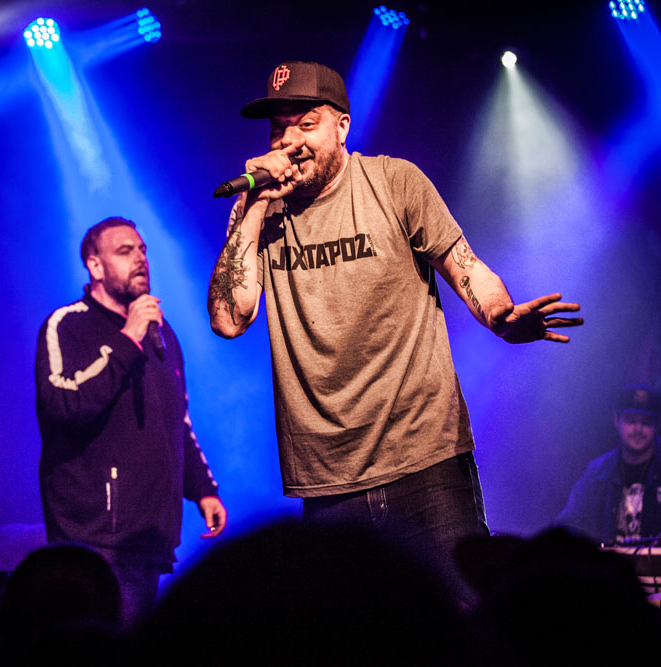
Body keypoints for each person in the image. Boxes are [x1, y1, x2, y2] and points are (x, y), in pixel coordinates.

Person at [206, 61, 582, 581]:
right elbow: (229, 318)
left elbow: (467, 266)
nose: (289, 141)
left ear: (342, 125)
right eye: (278, 129)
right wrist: (252, 208)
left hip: (424, 456)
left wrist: (500, 317)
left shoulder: (393, 181)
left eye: (306, 124)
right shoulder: (259, 214)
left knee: (459, 615)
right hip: (326, 476)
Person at [36, 217, 227, 624]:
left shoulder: (162, 334)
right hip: (92, 538)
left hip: (149, 536)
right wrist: (127, 339)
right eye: (125, 252)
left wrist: (203, 488)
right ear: (95, 265)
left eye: (142, 250)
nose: (140, 259)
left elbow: (178, 422)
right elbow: (63, 404)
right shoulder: (67, 325)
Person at [556, 384, 661, 544]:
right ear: (616, 420)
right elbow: (568, 524)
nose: (638, 429)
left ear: (656, 426)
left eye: (646, 423)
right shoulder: (597, 473)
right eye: (631, 421)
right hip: (610, 567)